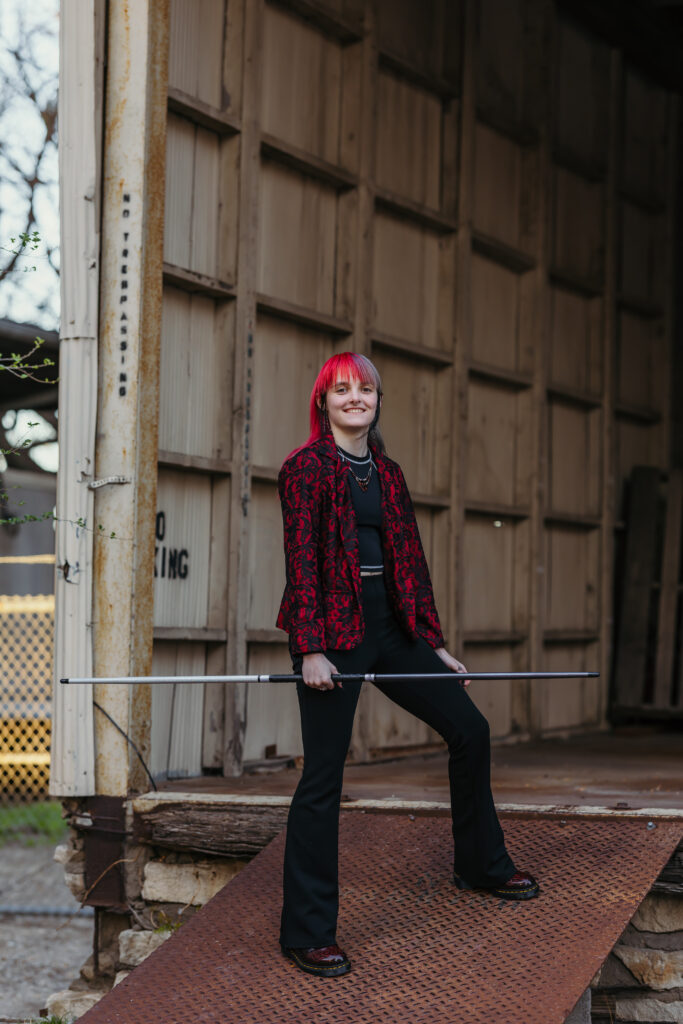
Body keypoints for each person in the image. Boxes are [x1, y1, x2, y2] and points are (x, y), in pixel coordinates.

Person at [275, 352, 538, 978]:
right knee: (324, 778)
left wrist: (434, 644)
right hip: (332, 636)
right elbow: (301, 564)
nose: (355, 399)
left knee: (470, 729)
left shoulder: (388, 475)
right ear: (324, 402)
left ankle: (480, 864)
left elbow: (410, 565)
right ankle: (306, 932)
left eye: (366, 390)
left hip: (392, 632)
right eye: (343, 390)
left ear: (377, 402)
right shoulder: (303, 470)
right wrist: (311, 648)